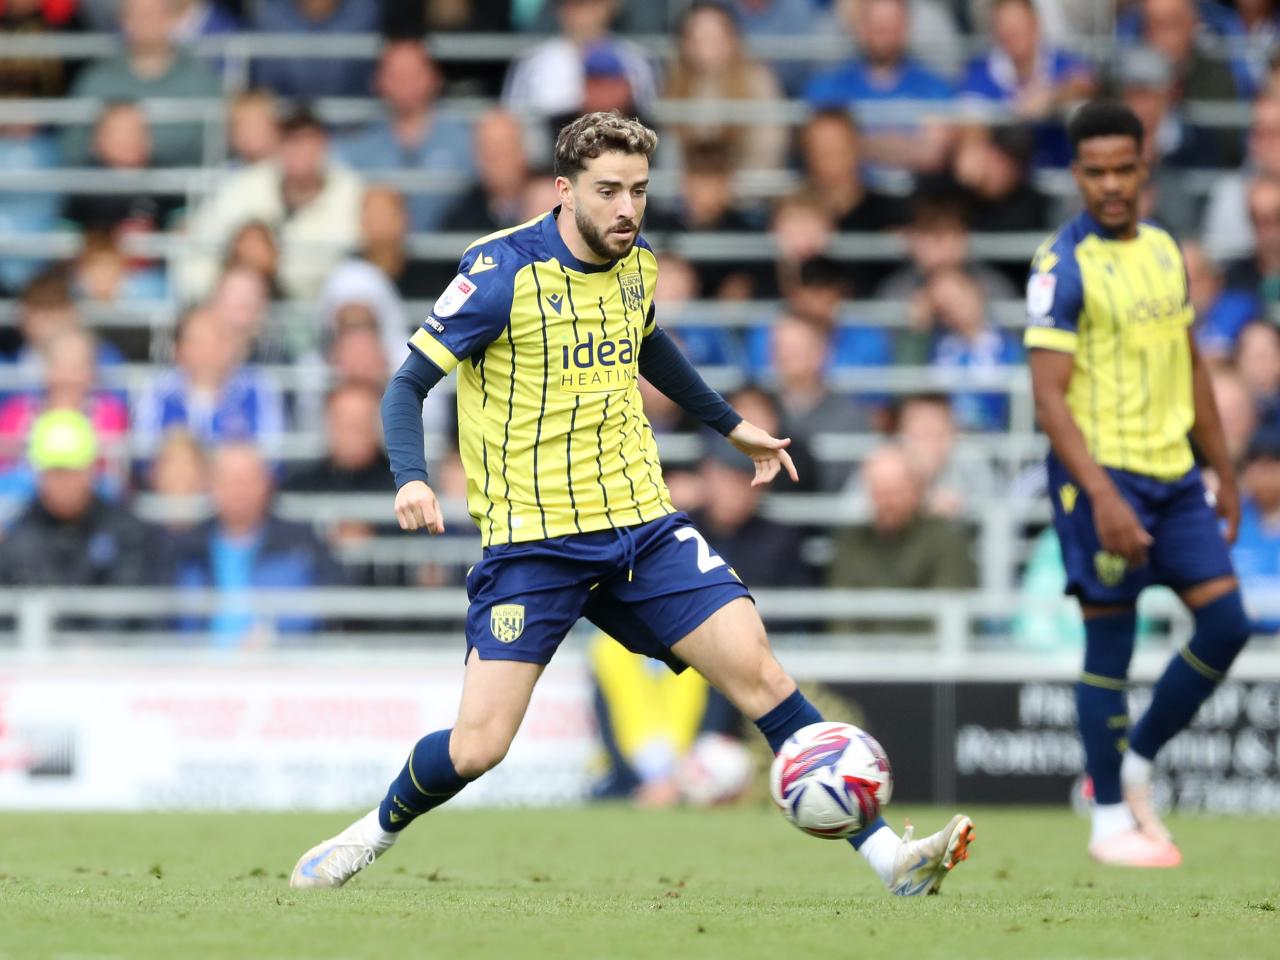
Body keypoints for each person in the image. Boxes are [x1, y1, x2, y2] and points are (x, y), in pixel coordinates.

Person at [288, 111, 973, 894]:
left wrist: (732, 426)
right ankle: (370, 833)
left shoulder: (638, 265)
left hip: (640, 525)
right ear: (564, 189)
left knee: (758, 671)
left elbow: (648, 346)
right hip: (535, 544)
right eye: (608, 190)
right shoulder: (501, 272)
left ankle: (891, 860)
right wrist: (410, 475)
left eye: (639, 191)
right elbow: (407, 382)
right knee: (478, 747)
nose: (626, 208)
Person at [1024, 101, 1249, 867]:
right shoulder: (1060, 266)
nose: (1112, 184)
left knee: (1227, 626)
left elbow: (1191, 365)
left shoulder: (1163, 249)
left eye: (1125, 169)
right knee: (1110, 644)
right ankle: (1109, 819)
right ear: (1077, 174)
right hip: (1103, 477)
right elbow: (1048, 398)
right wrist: (1103, 496)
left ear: (1144, 168)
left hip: (1176, 477)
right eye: (1097, 172)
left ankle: (1135, 761)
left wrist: (1224, 470)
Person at [178, 106, 364, 301]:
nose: (299, 151)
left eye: (307, 141)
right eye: (291, 141)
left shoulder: (351, 191)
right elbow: (203, 244)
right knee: (252, 245)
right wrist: (212, 295)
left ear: (324, 145)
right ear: (278, 145)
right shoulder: (245, 185)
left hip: (329, 303)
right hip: (248, 303)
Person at [171, 442, 346, 647]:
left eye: (248, 479)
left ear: (267, 483)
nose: (239, 489)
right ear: (212, 486)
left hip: (281, 662)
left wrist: (275, 636)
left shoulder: (302, 542)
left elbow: (331, 605)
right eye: (230, 479)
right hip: (195, 663)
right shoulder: (187, 547)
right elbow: (168, 617)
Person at [827, 443, 977, 634]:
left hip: (926, 651)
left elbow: (949, 610)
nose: (887, 501)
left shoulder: (946, 540)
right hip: (864, 651)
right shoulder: (851, 543)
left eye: (895, 491)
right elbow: (842, 618)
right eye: (878, 491)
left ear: (918, 489)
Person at [0, 409, 152, 588]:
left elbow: (129, 595)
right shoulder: (20, 533)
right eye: (55, 473)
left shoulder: (124, 532)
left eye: (71, 472)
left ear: (90, 472)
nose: (62, 484)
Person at [334, 39, 473, 233]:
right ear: (378, 80)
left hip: (456, 247)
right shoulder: (355, 146)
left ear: (435, 77)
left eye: (413, 73)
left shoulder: (466, 142)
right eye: (395, 74)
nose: (405, 82)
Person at [62, 0, 220, 167]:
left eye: (153, 13)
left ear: (174, 18)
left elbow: (217, 147)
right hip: (107, 179)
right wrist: (105, 148)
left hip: (184, 180)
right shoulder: (96, 79)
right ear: (121, 20)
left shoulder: (201, 78)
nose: (144, 21)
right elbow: (72, 148)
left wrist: (145, 152)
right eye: (134, 14)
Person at [803, 0, 953, 175]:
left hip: (915, 190)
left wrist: (854, 144)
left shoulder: (934, 88)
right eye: (877, 26)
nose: (884, 35)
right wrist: (905, 145)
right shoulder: (827, 88)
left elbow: (932, 154)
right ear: (860, 28)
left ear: (906, 28)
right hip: (853, 190)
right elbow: (823, 151)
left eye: (891, 26)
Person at [959, 0, 1095, 168]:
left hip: (1062, 167)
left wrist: (1052, 96)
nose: (1012, 34)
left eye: (1019, 26)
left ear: (1036, 25)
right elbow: (971, 125)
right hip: (1007, 172)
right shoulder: (981, 72)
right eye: (1005, 28)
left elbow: (1086, 84)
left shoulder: (1062, 62)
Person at [664, 2, 787, 172]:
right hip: (688, 183)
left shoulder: (758, 81)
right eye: (697, 37)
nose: (705, 46)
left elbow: (769, 144)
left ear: (732, 39)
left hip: (747, 182)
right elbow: (669, 148)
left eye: (715, 37)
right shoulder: (673, 82)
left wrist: (740, 184)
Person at [251, 0, 379, 99]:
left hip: (355, 119)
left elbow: (368, 81)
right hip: (288, 118)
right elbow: (266, 84)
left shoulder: (364, 12)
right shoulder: (272, 14)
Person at [441, 110, 532, 235]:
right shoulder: (461, 222)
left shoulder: (550, 202)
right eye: (488, 150)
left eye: (504, 148)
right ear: (475, 158)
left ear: (523, 152)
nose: (497, 159)